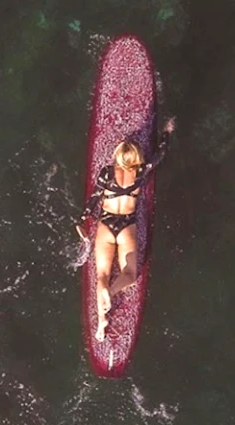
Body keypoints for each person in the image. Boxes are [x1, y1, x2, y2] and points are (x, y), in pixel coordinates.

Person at [79, 118, 176, 342]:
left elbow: (93, 200)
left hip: (105, 225)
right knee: (130, 275)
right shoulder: (141, 172)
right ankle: (111, 293)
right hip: (126, 227)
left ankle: (101, 324)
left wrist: (81, 221)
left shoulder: (106, 173)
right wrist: (166, 133)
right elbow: (160, 155)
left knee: (101, 275)